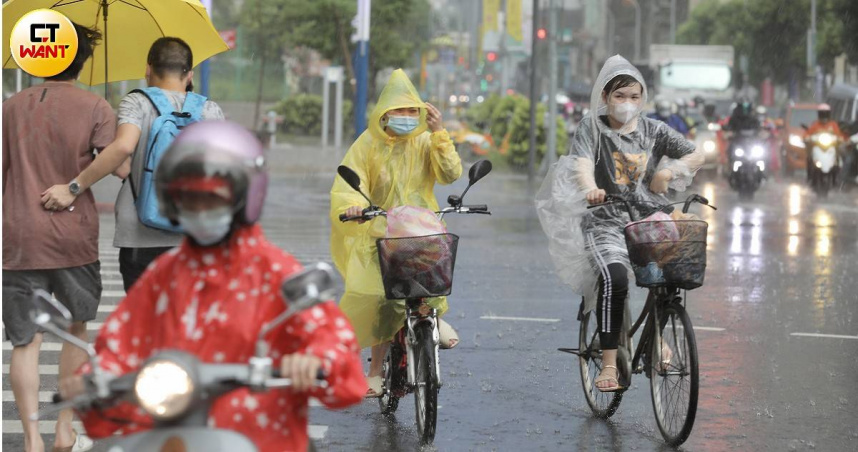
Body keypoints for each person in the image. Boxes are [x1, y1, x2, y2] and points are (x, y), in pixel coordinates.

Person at [57, 121, 367, 452]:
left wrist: (314, 360)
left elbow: (340, 361)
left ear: (244, 196)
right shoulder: (164, 276)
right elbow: (119, 347)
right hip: (172, 439)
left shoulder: (277, 273)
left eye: (212, 199)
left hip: (264, 441)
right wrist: (94, 381)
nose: (201, 210)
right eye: (190, 199)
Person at [536, 55, 704, 392]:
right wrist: (591, 189)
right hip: (604, 221)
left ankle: (658, 336)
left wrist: (670, 171)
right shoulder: (591, 128)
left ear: (643, 99)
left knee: (670, 273)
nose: (627, 104)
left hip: (647, 219)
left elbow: (696, 153)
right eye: (619, 96)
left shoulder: (653, 129)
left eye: (634, 97)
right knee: (614, 277)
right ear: (604, 97)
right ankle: (610, 365)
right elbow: (582, 165)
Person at [40, 37, 225, 292]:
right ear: (190, 74)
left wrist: (74, 187)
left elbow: (123, 149)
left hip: (140, 233)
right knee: (186, 321)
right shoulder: (210, 110)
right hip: (195, 234)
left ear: (148, 69)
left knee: (144, 322)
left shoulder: (137, 102)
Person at [3, 23, 109, 452]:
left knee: (25, 341)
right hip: (73, 237)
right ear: (81, 61)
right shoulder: (96, 106)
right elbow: (118, 166)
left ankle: (31, 439)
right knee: (75, 330)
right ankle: (65, 428)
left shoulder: (9, 108)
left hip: (19, 236)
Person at [330, 69, 463, 398]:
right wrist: (353, 207)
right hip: (381, 229)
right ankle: (375, 370)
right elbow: (352, 184)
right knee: (381, 298)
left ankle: (433, 316)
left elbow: (450, 174)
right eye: (398, 111)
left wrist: (440, 133)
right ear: (384, 114)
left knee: (432, 273)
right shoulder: (367, 144)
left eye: (411, 111)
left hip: (422, 226)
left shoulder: (425, 140)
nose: (405, 117)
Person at [805, 103, 847, 183]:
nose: (824, 116)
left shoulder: (833, 124)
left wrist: (840, 138)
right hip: (818, 147)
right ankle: (809, 175)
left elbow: (839, 134)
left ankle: (837, 176)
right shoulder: (815, 125)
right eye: (822, 113)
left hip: (830, 147)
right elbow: (807, 134)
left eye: (825, 113)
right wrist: (807, 138)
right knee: (809, 156)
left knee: (839, 155)